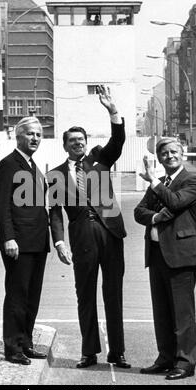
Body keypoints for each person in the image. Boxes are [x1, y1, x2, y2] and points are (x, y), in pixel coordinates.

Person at [47, 85, 130, 369]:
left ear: (86, 142)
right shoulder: (56, 174)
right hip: (81, 235)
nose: (77, 144)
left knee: (113, 292)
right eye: (72, 141)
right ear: (65, 145)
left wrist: (113, 111)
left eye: (80, 139)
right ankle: (89, 351)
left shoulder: (99, 158)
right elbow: (55, 213)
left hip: (110, 232)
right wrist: (59, 242)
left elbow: (118, 141)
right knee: (85, 294)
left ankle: (117, 352)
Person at [134, 138, 196, 380]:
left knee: (182, 313)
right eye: (164, 153)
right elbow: (139, 212)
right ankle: (165, 358)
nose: (169, 156)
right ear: (160, 157)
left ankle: (185, 363)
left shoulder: (192, 181)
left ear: (182, 153)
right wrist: (155, 218)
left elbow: (175, 202)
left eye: (174, 151)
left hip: (181, 256)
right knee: (161, 311)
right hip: (156, 255)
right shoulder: (160, 183)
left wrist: (153, 181)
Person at [0, 116, 50, 365]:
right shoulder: (9, 165)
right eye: (30, 134)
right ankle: (13, 348)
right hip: (19, 243)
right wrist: (9, 238)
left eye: (38, 134)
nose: (35, 138)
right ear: (18, 137)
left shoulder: (32, 165)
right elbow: (1, 205)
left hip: (37, 242)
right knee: (17, 295)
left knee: (32, 296)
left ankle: (26, 343)